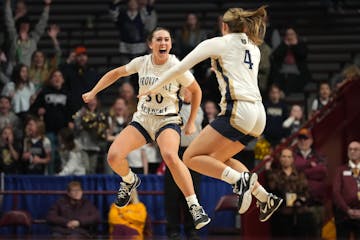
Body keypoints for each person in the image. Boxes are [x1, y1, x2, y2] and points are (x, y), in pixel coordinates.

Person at [142, 6, 283, 221]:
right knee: (217, 159)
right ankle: (264, 197)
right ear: (244, 26)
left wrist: (154, 87)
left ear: (223, 26)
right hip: (258, 114)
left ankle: (239, 181)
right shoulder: (253, 46)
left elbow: (180, 67)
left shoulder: (219, 42)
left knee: (190, 157)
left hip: (238, 109)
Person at [82, 27, 210, 229]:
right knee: (113, 156)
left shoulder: (177, 65)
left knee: (169, 155)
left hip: (166, 119)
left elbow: (196, 91)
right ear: (150, 44)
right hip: (143, 119)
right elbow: (115, 73)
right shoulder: (142, 62)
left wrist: (192, 120)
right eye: (159, 39)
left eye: (167, 39)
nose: (163, 43)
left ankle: (194, 206)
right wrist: (93, 91)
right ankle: (129, 179)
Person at [164, 88, 204, 240]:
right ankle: (173, 230)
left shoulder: (199, 109)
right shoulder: (173, 107)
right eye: (185, 91)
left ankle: (192, 229)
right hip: (175, 153)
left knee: (193, 193)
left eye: (190, 91)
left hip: (193, 155)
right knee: (172, 194)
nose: (187, 94)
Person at [265, 148, 317, 238]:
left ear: (292, 159)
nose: (286, 159)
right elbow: (272, 188)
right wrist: (268, 168)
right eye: (284, 156)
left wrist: (300, 199)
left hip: (299, 213)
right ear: (280, 158)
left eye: (289, 157)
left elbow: (306, 191)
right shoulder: (275, 174)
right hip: (281, 214)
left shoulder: (300, 174)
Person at [333, 141, 360, 239]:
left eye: (356, 149)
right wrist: (347, 210)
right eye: (350, 149)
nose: (352, 151)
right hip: (344, 215)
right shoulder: (340, 170)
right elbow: (336, 192)